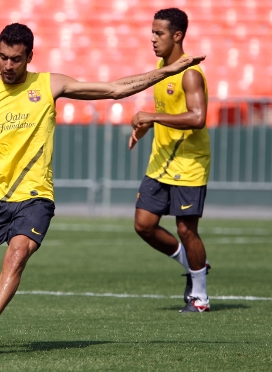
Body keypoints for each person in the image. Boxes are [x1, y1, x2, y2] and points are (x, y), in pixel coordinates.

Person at [0, 22, 205, 357]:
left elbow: (115, 89)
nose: (8, 66)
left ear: (29, 56)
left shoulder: (49, 84)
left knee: (16, 257)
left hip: (35, 199)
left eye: (16, 59)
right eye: (2, 57)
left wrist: (170, 70)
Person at [129, 8, 211, 313]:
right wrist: (146, 126)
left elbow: (198, 117)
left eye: (158, 33)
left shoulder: (189, 73)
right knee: (143, 224)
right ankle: (195, 264)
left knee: (187, 231)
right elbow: (169, 109)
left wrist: (151, 116)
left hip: (189, 164)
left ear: (177, 36)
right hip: (161, 161)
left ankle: (199, 297)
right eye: (152, 32)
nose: (152, 38)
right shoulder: (162, 67)